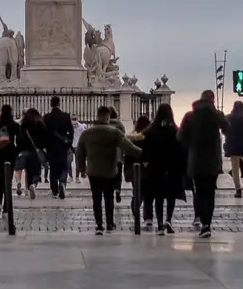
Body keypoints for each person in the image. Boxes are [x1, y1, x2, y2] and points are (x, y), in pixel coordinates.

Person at [78, 106, 143, 234]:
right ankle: (109, 223)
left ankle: (99, 225)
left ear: (97, 116)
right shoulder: (114, 132)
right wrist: (142, 152)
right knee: (109, 198)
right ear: (107, 117)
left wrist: (82, 169)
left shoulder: (87, 133)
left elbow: (79, 152)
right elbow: (128, 147)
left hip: (93, 171)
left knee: (96, 198)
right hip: (109, 170)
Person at [180, 91, 226, 238]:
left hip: (196, 159)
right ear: (212, 100)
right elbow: (228, 128)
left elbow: (180, 136)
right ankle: (207, 223)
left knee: (199, 192)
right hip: (212, 159)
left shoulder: (190, 116)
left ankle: (202, 221)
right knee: (210, 192)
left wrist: (190, 145)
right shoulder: (217, 114)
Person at [141, 103, 185, 232]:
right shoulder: (174, 131)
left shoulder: (151, 131)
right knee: (171, 196)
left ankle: (160, 224)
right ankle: (168, 219)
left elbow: (144, 149)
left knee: (158, 197)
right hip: (172, 167)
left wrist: (146, 162)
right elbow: (181, 150)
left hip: (156, 168)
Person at [45, 97, 73, 199]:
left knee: (53, 168)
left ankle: (55, 191)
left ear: (51, 104)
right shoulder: (65, 116)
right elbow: (71, 131)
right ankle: (62, 182)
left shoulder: (47, 117)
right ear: (59, 103)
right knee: (64, 167)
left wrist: (45, 145)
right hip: (62, 146)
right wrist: (69, 143)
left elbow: (44, 133)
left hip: (51, 147)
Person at [20, 106, 51, 199]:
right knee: (37, 170)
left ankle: (29, 186)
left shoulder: (23, 125)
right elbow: (46, 138)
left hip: (26, 151)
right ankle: (34, 184)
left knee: (28, 170)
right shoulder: (40, 124)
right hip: (37, 150)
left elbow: (20, 139)